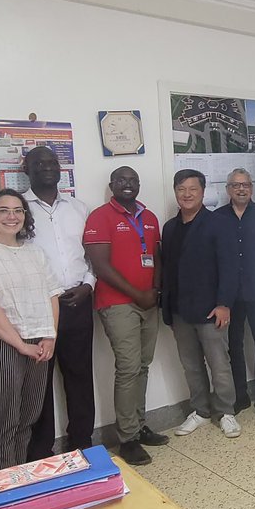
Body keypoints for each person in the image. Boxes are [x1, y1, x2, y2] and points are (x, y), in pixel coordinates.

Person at [0, 189, 62, 471]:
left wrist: (50, 336)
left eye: (18, 210)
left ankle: (18, 477)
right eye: (3, 210)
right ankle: (0, 486)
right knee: (2, 419)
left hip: (39, 342)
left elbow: (53, 296)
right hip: (1, 344)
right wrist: (20, 345)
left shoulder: (35, 252)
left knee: (28, 417)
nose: (12, 216)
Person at [83, 167, 166, 466]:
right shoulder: (99, 217)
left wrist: (154, 290)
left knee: (143, 365)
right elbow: (101, 267)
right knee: (129, 367)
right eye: (121, 180)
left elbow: (156, 258)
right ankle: (127, 439)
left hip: (149, 302)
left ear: (139, 184)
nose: (127, 185)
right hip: (118, 303)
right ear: (111, 185)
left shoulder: (150, 216)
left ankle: (140, 425)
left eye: (133, 180)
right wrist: (137, 294)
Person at [22, 146, 96, 459]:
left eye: (53, 162)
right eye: (39, 163)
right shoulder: (17, 209)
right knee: (39, 382)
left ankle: (83, 442)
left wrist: (89, 285)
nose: (47, 167)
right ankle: (42, 451)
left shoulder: (80, 209)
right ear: (27, 169)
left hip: (78, 302)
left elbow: (92, 255)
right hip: (38, 308)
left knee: (80, 376)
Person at [165, 170, 242, 439]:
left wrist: (224, 304)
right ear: (175, 192)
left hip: (211, 309)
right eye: (181, 189)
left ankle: (226, 412)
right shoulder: (170, 227)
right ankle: (200, 410)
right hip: (180, 311)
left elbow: (230, 268)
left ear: (203, 192)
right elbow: (169, 271)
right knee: (191, 364)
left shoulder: (217, 223)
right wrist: (168, 311)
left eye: (192, 189)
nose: (186, 194)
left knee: (219, 364)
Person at [217, 168, 255, 418]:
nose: (241, 189)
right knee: (234, 347)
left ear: (252, 188)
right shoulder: (217, 218)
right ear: (228, 189)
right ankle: (240, 396)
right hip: (230, 296)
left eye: (246, 185)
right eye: (236, 185)